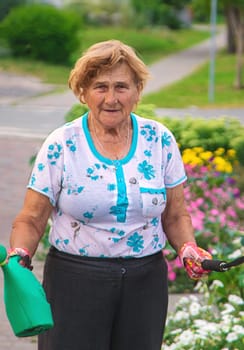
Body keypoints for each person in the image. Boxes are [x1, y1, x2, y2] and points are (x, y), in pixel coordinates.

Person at [9, 40, 212, 350]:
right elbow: (32, 218)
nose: (111, 98)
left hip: (145, 281)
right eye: (100, 87)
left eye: (121, 87)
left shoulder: (158, 140)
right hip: (74, 281)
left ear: (137, 91)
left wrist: (188, 249)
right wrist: (20, 256)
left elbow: (175, 215)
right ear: (84, 92)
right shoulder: (62, 144)